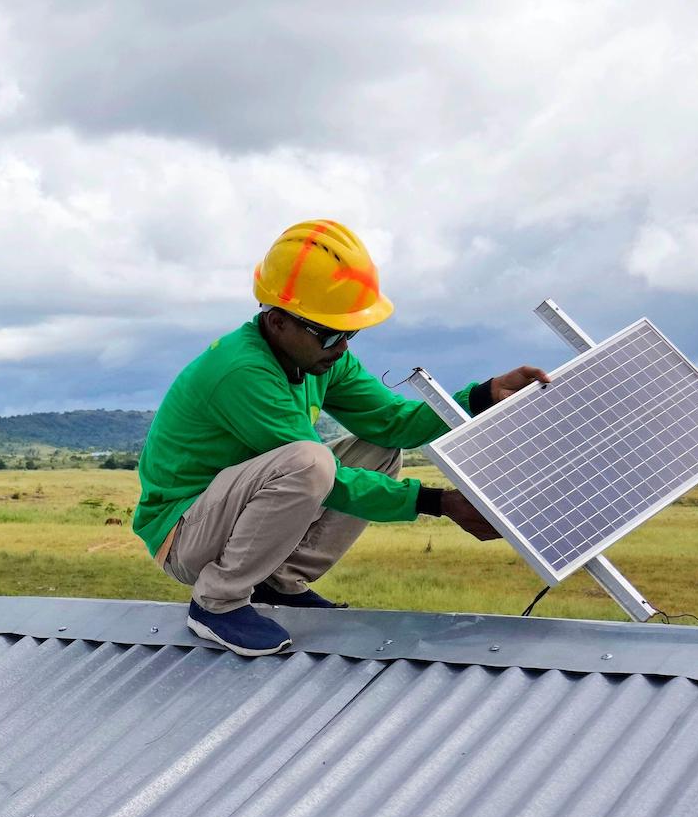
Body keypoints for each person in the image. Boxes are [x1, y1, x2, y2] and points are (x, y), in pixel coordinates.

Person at [133, 219, 552, 656]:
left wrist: (481, 396)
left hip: (230, 517)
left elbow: (391, 422)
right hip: (184, 534)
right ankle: (217, 602)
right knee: (310, 463)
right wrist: (437, 503)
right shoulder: (243, 373)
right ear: (278, 323)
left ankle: (279, 584)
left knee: (379, 447)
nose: (343, 346)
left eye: (351, 331)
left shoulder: (322, 358)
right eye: (331, 332)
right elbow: (323, 478)